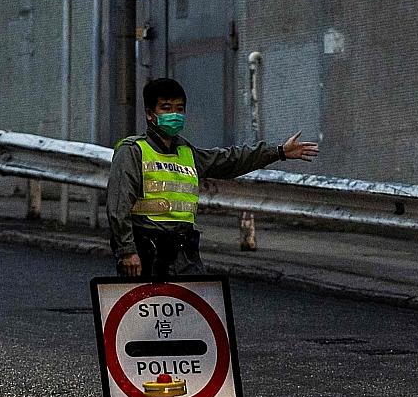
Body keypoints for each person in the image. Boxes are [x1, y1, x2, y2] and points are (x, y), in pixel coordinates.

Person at [106, 77, 320, 277]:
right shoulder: (133, 151)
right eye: (166, 108)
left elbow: (228, 160)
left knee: (192, 314)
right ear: (150, 114)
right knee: (142, 315)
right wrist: (127, 251)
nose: (174, 115)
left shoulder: (186, 152)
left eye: (179, 109)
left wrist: (278, 152)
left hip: (184, 252)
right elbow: (119, 206)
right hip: (146, 252)